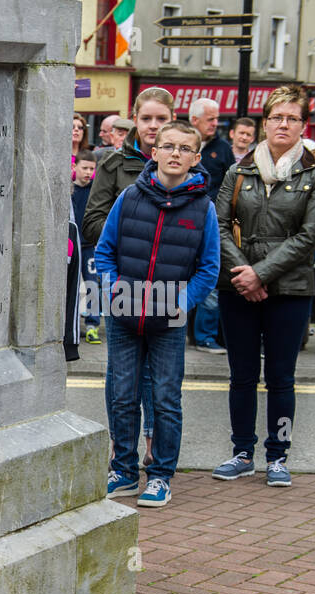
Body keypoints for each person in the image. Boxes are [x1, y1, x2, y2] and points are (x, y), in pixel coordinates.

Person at [211, 86, 315, 488]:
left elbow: (309, 236)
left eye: (292, 118)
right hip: (237, 287)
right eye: (277, 117)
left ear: (302, 125)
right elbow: (220, 227)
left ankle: (277, 456)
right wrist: (244, 273)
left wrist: (260, 274)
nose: (284, 124)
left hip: (291, 290)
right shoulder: (238, 171)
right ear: (265, 122)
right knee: (241, 375)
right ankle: (242, 452)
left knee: (282, 377)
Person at [96, 120, 220, 508]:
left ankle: (161, 475)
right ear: (154, 152)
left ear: (195, 159)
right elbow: (104, 252)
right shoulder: (129, 197)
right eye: (168, 146)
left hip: (168, 318)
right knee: (121, 395)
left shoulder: (203, 208)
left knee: (166, 398)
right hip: (123, 313)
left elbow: (208, 268)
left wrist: (182, 303)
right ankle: (125, 471)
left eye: (184, 149)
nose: (174, 154)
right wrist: (112, 287)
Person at [85, 88, 178, 470]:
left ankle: (155, 448)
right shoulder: (113, 164)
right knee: (122, 378)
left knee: (161, 380)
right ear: (134, 120)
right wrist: (135, 242)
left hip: (168, 286)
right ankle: (120, 450)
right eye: (147, 119)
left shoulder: (185, 163)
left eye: (161, 119)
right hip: (124, 282)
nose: (153, 126)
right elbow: (92, 223)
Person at [187, 98, 234, 355]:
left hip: (211, 221)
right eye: (211, 119)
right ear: (195, 120)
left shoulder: (222, 148)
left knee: (210, 279)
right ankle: (186, 331)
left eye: (217, 119)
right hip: (182, 219)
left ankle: (204, 336)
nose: (216, 124)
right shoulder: (183, 141)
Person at [72, 149, 101, 343]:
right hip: (73, 246)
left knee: (92, 284)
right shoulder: (69, 190)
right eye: (85, 168)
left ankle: (92, 325)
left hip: (90, 245)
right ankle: (72, 326)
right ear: (75, 167)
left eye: (92, 169)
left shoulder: (96, 191)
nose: (88, 172)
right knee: (71, 287)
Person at [71, 112, 90, 177]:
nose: (76, 129)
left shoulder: (88, 156)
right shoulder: (59, 155)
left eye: (80, 128)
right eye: (72, 127)